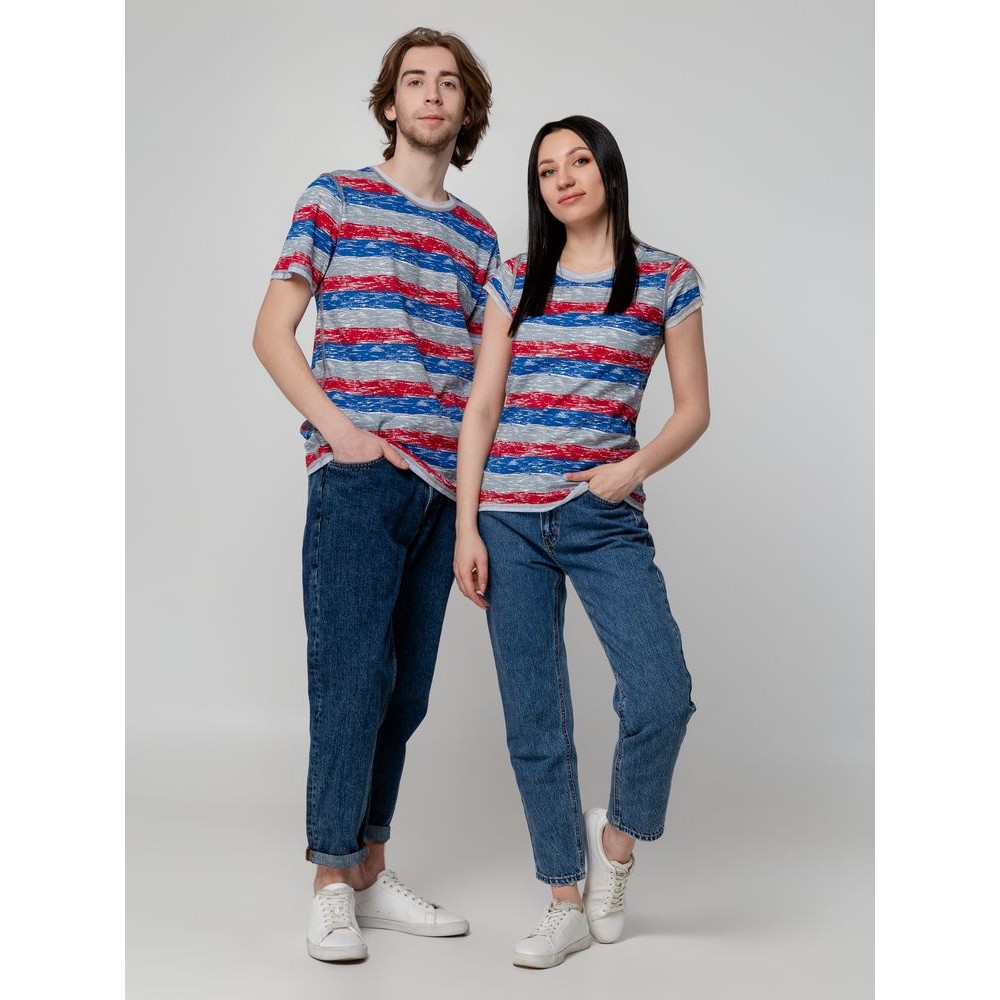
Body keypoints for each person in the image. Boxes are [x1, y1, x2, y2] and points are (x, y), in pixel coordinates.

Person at [253, 27, 499, 963]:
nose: (432, 94)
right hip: (358, 480)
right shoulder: (335, 196)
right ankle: (329, 879)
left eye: (450, 84)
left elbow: (486, 388)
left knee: (408, 693)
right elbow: (272, 331)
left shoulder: (479, 238)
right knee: (352, 680)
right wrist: (344, 435)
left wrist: (472, 511)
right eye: (415, 81)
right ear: (390, 104)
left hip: (442, 492)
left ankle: (369, 868)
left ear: (466, 110)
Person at [454, 115, 709, 969]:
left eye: (577, 161)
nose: (562, 178)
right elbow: (482, 407)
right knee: (535, 717)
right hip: (507, 519)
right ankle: (562, 899)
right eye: (545, 170)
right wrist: (466, 524)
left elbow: (694, 410)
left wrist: (631, 468)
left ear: (608, 171)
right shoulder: (516, 275)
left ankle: (615, 848)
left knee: (662, 694)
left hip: (603, 516)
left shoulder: (667, 278)